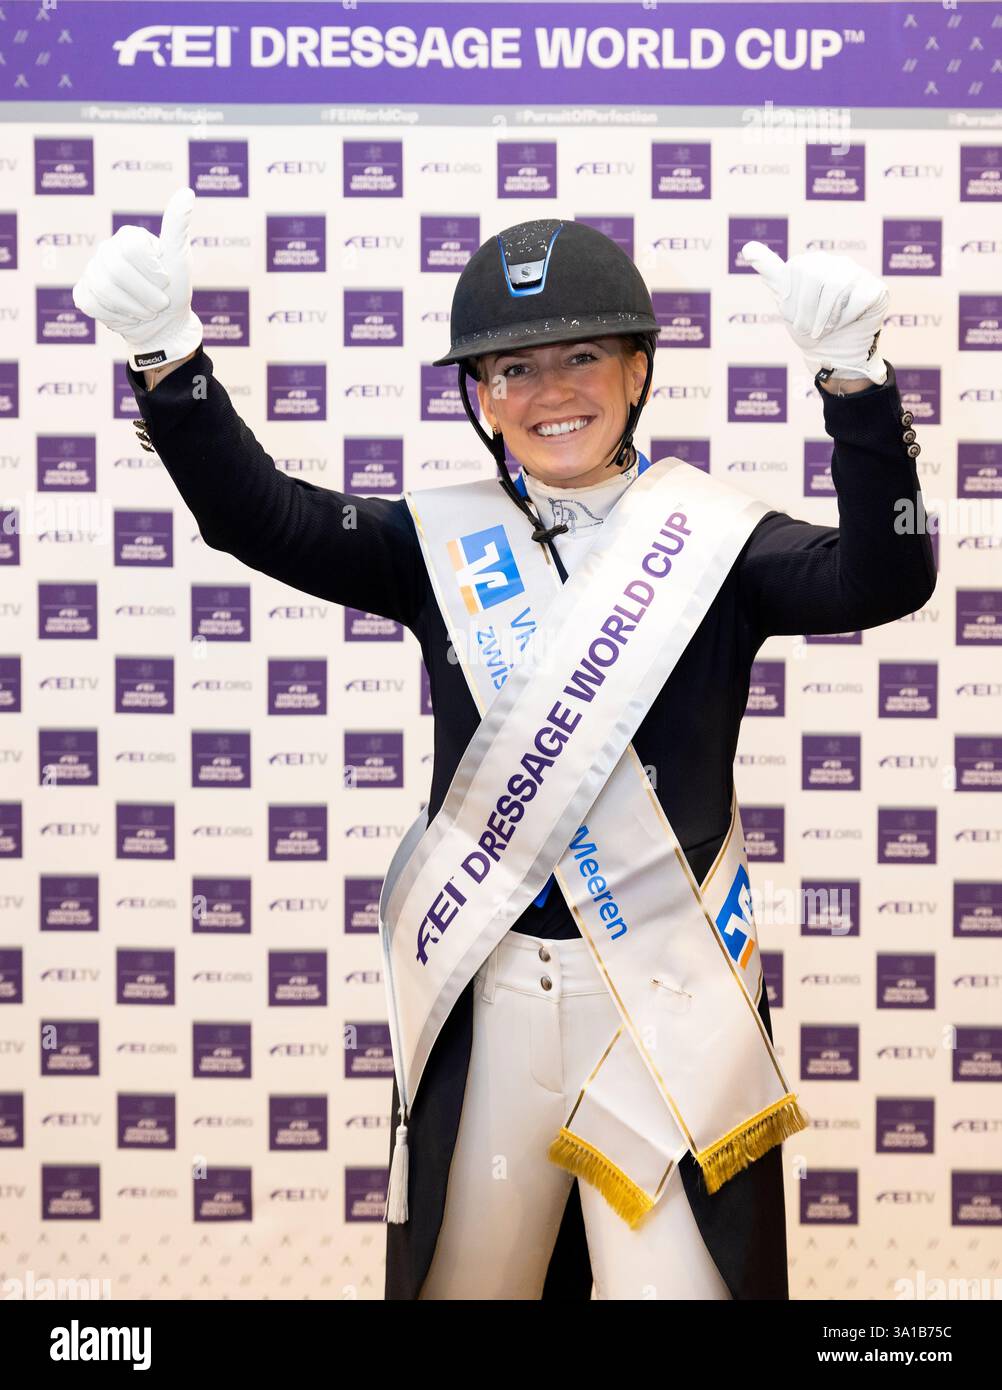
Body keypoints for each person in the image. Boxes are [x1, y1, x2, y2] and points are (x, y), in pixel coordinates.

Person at [73, 190, 936, 1301]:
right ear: (481, 400)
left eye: (581, 354)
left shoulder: (720, 543)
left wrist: (855, 387)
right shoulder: (434, 543)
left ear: (638, 372)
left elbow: (888, 576)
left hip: (665, 998)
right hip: (491, 999)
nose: (549, 391)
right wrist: (169, 357)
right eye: (510, 370)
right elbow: (259, 516)